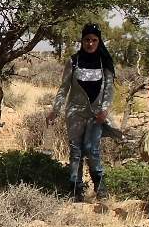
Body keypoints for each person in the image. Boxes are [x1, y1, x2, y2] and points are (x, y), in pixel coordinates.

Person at [47, 23, 115, 203]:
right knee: (75, 150)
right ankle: (75, 188)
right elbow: (64, 87)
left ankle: (99, 185)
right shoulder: (74, 61)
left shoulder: (104, 62)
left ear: (99, 41)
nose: (90, 44)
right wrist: (55, 110)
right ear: (82, 41)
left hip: (96, 114)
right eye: (87, 40)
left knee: (91, 149)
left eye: (94, 40)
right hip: (75, 113)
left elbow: (109, 88)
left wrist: (105, 109)